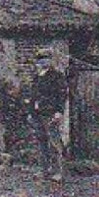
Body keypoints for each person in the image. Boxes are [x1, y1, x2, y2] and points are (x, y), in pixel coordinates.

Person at [29, 48, 68, 183]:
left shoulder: (57, 76)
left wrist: (59, 111)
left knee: (54, 142)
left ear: (50, 61)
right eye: (40, 59)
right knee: (41, 142)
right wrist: (31, 112)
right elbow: (33, 96)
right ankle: (44, 170)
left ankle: (58, 172)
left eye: (46, 59)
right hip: (37, 114)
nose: (43, 61)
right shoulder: (37, 77)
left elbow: (62, 95)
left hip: (50, 113)